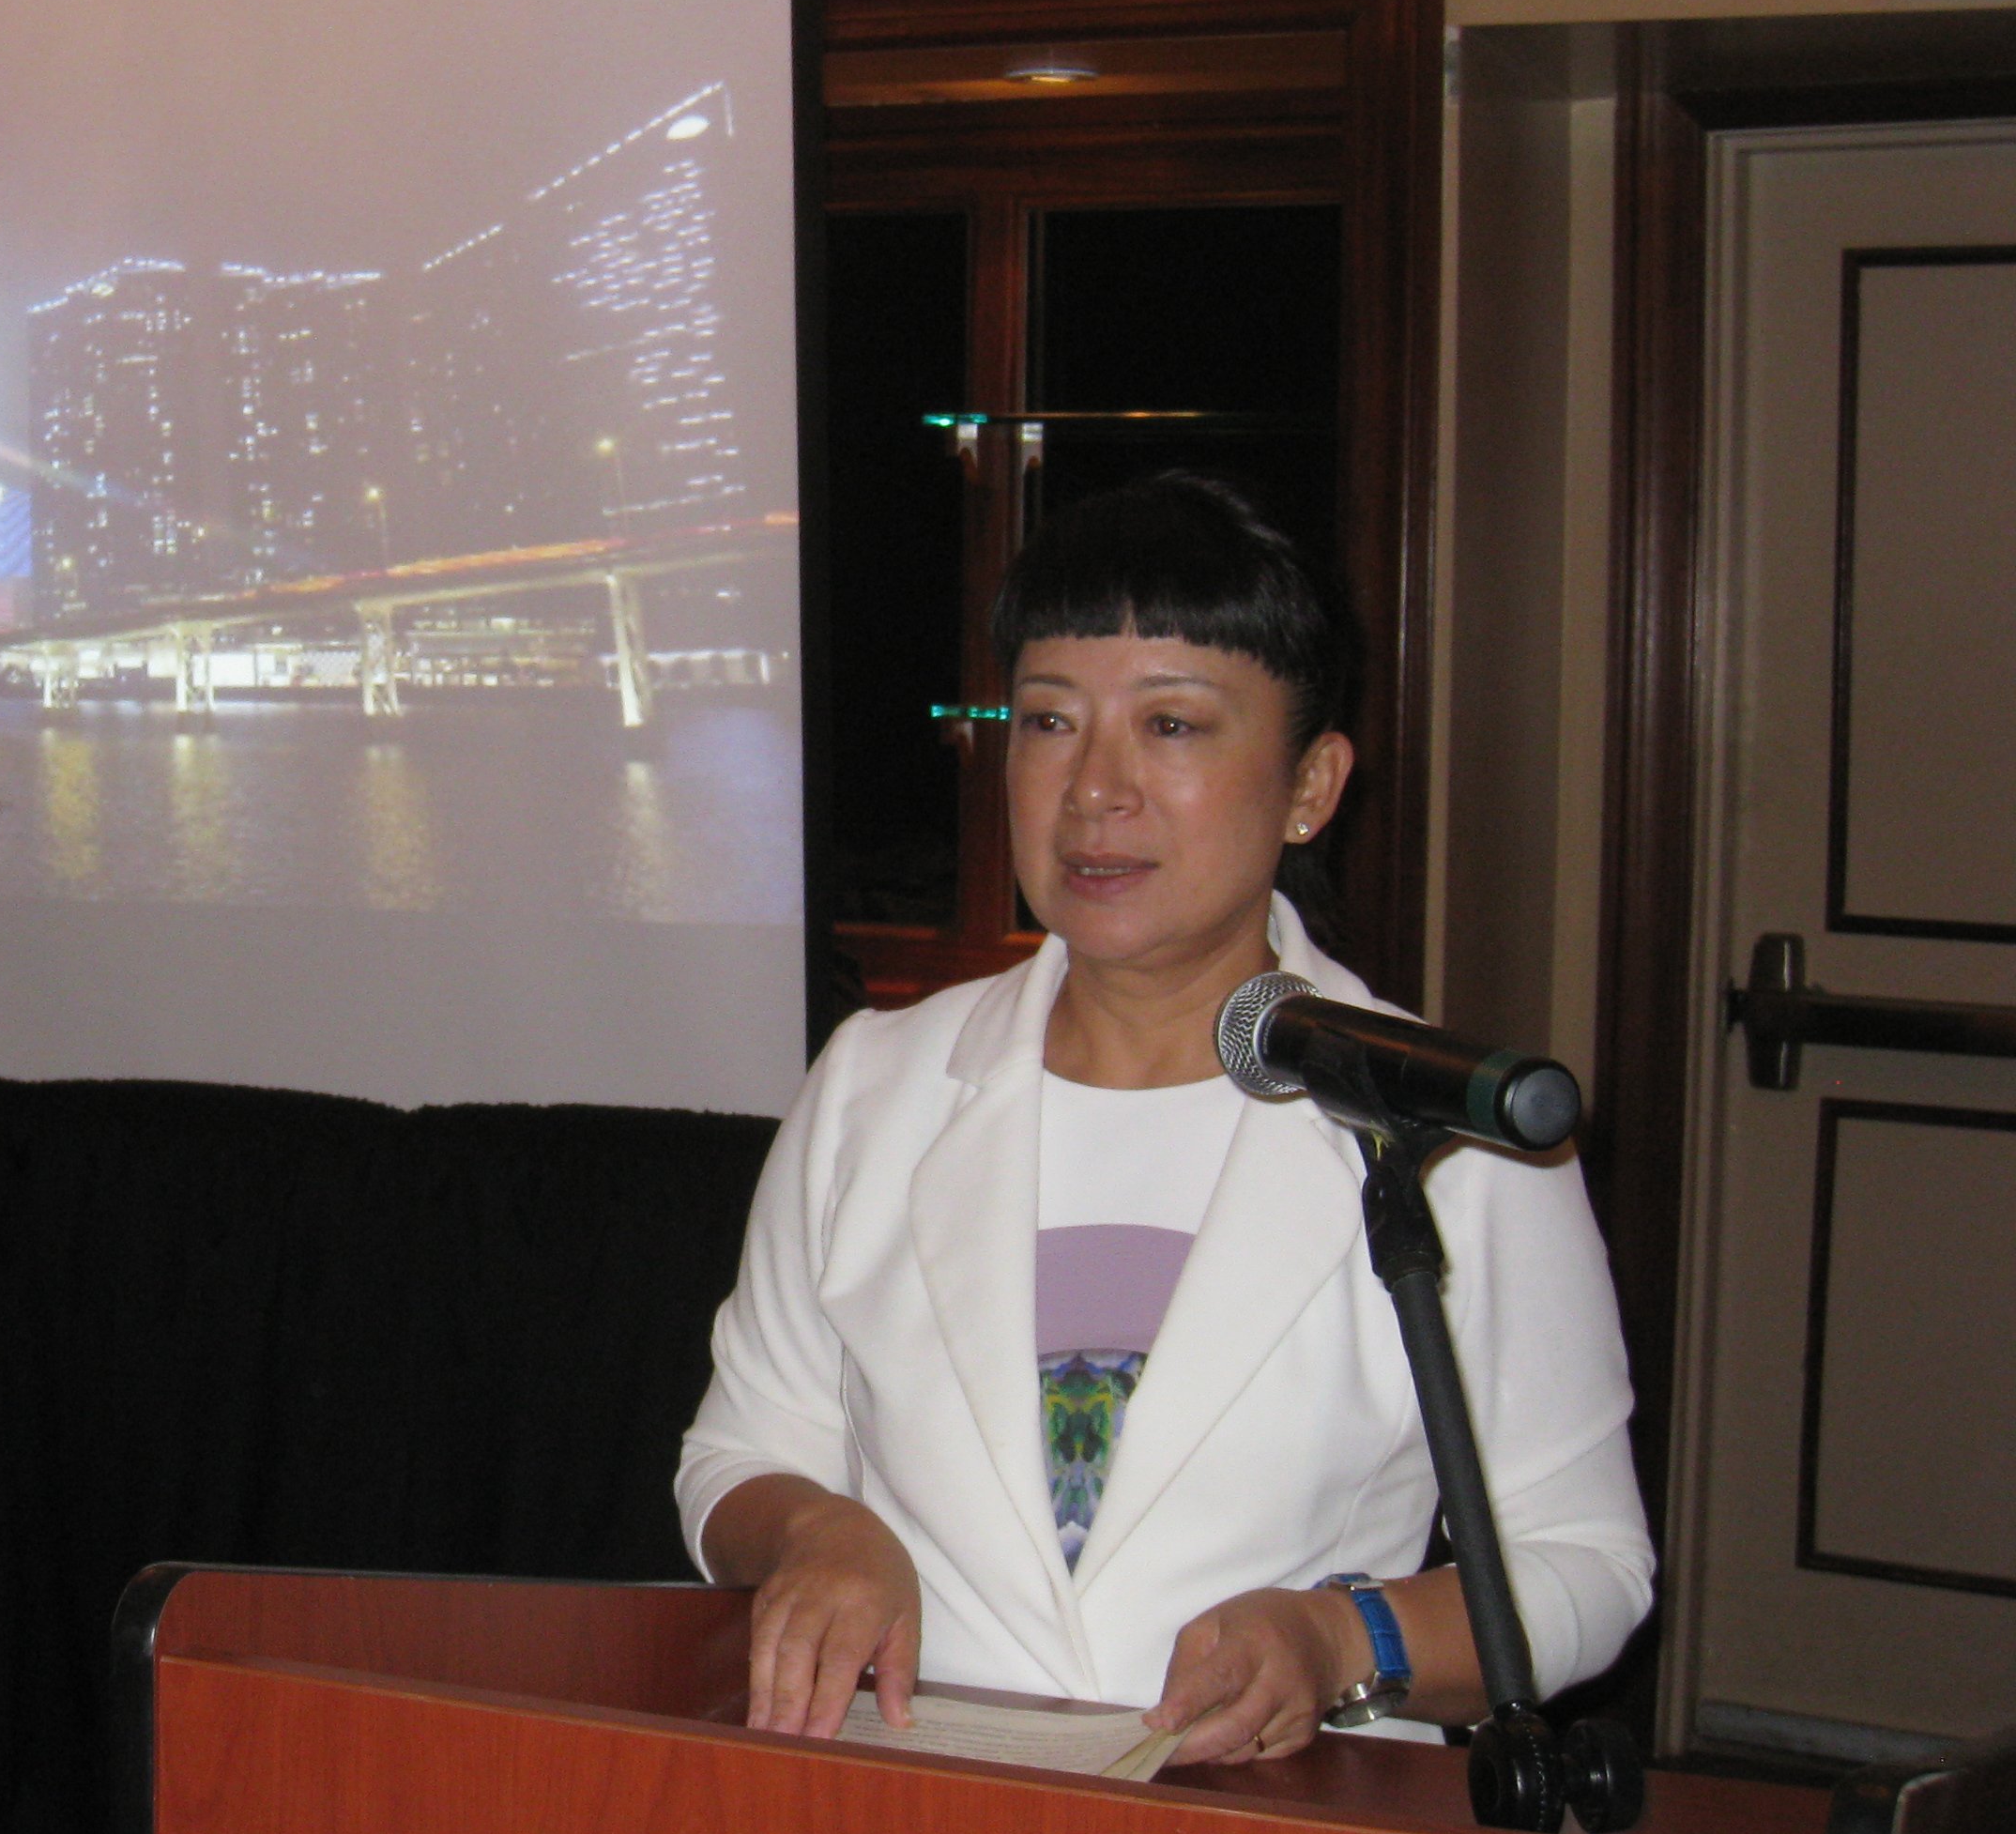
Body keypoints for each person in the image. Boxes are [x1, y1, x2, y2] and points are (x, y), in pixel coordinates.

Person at [677, 472, 1650, 1765]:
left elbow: (1585, 1562)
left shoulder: (1447, 1132)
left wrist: (1343, 1639)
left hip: (1273, 1818)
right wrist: (815, 1531)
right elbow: (740, 1451)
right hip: (914, 1797)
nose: (1095, 789)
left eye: (1173, 725)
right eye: (1049, 721)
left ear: (1311, 784)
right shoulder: (875, 1083)